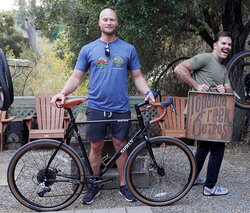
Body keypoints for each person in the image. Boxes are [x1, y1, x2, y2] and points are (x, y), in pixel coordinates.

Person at [51, 8, 155, 204]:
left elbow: (138, 76)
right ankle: (94, 185)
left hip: (120, 107)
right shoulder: (88, 49)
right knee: (96, 146)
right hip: (96, 106)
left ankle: (124, 186)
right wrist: (63, 93)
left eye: (112, 19)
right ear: (99, 23)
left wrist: (148, 92)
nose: (109, 22)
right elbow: (76, 77)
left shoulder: (128, 49)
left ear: (117, 23)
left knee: (120, 146)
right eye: (105, 19)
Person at [174, 31, 233, 196]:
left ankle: (191, 179)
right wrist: (197, 85)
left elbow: (230, 92)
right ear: (215, 45)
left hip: (214, 115)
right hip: (201, 113)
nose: (227, 47)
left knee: (204, 147)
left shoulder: (223, 69)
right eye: (223, 43)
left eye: (229, 44)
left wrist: (224, 90)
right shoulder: (206, 58)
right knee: (218, 148)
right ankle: (210, 187)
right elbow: (179, 69)